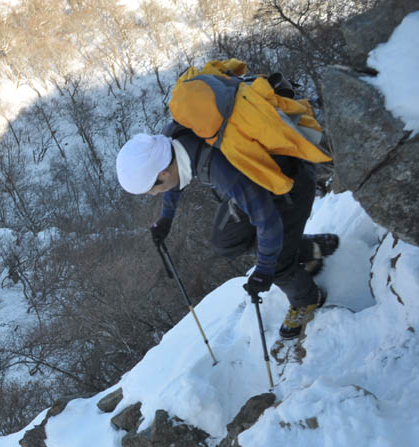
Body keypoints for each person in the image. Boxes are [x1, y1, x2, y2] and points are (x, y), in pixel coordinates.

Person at [116, 124, 338, 339]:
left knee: (275, 264)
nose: (155, 194)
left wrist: (263, 270)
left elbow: (268, 222)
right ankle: (303, 249)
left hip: (290, 182)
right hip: (253, 186)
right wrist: (166, 218)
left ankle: (307, 299)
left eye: (152, 189)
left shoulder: (221, 170)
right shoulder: (170, 141)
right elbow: (174, 179)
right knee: (226, 241)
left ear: (163, 173)